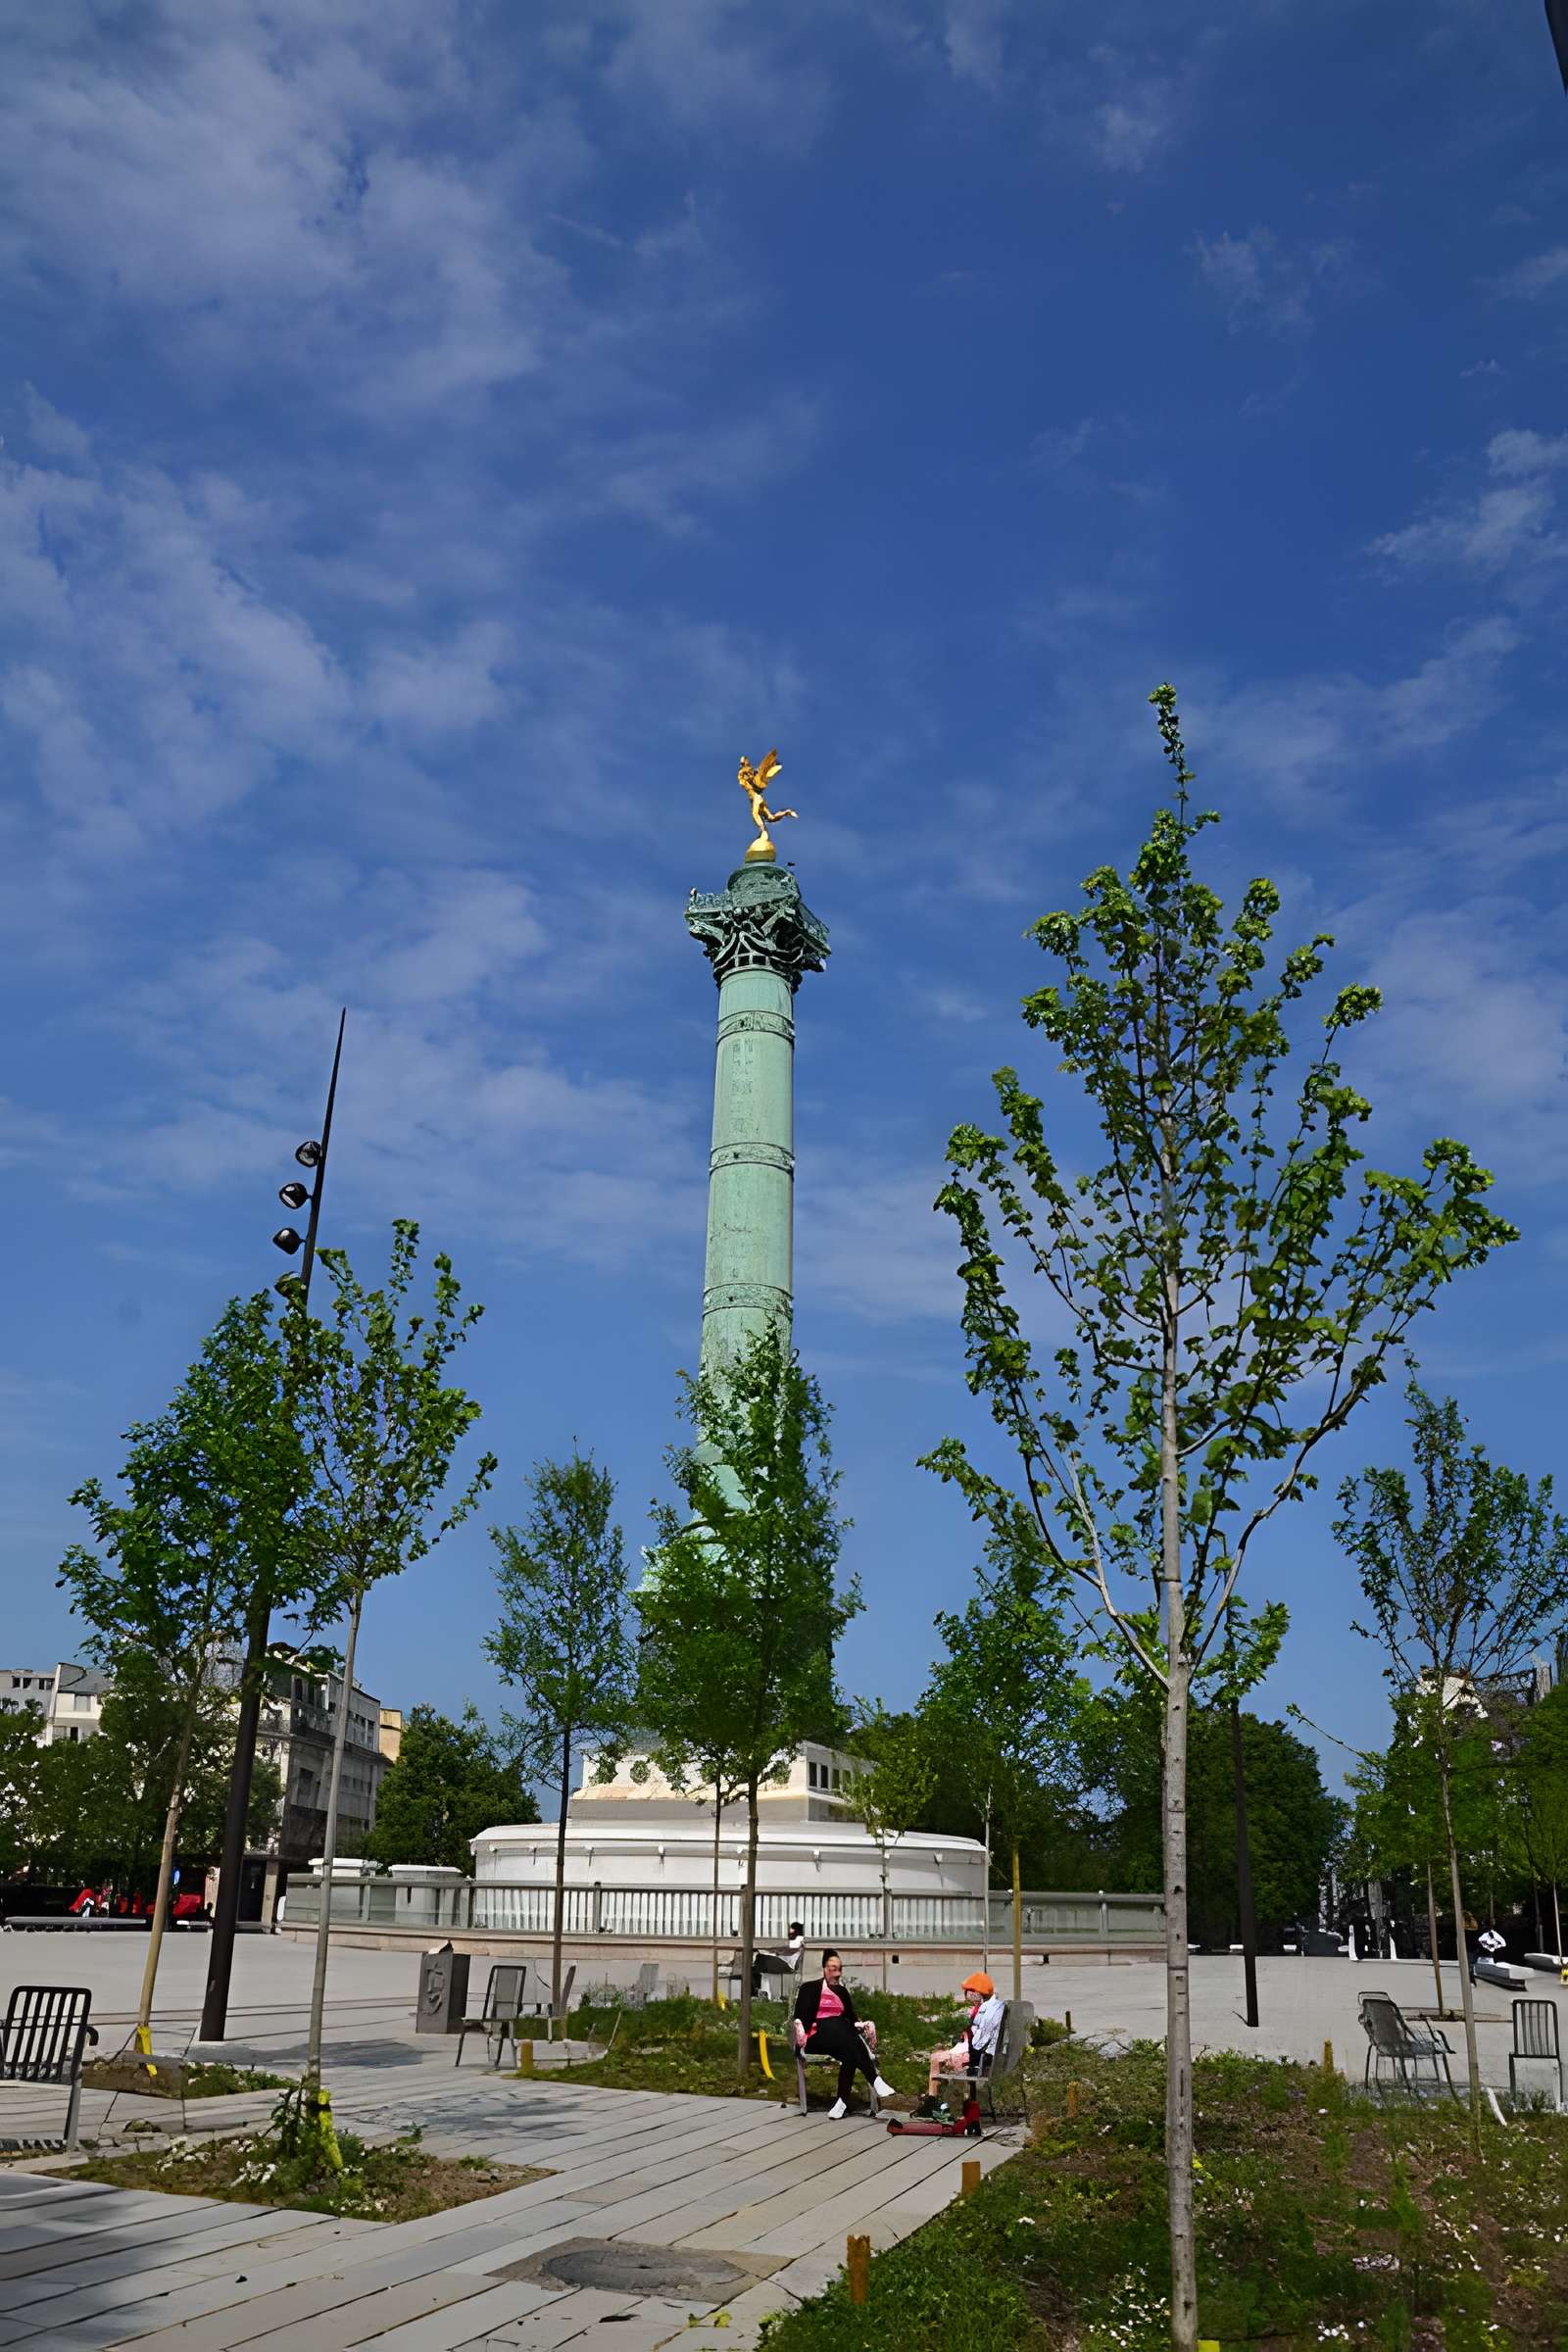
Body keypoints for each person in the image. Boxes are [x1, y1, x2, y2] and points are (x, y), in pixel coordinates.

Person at [791, 1950, 898, 2120]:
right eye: (833, 1968)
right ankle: (875, 2079)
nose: (837, 1973)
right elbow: (800, 2018)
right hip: (814, 2037)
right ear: (824, 1968)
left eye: (839, 1969)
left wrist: (860, 2025)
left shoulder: (842, 1992)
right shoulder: (809, 1988)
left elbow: (851, 2019)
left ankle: (841, 2103)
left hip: (840, 2038)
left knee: (849, 2052)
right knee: (835, 2023)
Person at [924, 1971, 1004, 2106]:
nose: (966, 1995)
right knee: (939, 2051)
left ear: (976, 1992)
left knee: (935, 2058)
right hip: (982, 2056)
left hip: (978, 2058)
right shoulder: (993, 2007)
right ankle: (934, 2099)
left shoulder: (986, 2011)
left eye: (967, 1991)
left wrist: (961, 2047)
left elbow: (979, 2043)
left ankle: (931, 2101)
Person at [753, 1922, 807, 1997]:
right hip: (784, 1962)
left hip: (789, 1965)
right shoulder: (794, 1940)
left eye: (791, 1930)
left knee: (761, 1960)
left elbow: (790, 1950)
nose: (788, 1932)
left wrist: (778, 1951)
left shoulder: (799, 1939)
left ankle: (756, 1990)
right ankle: (757, 1989)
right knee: (757, 1963)